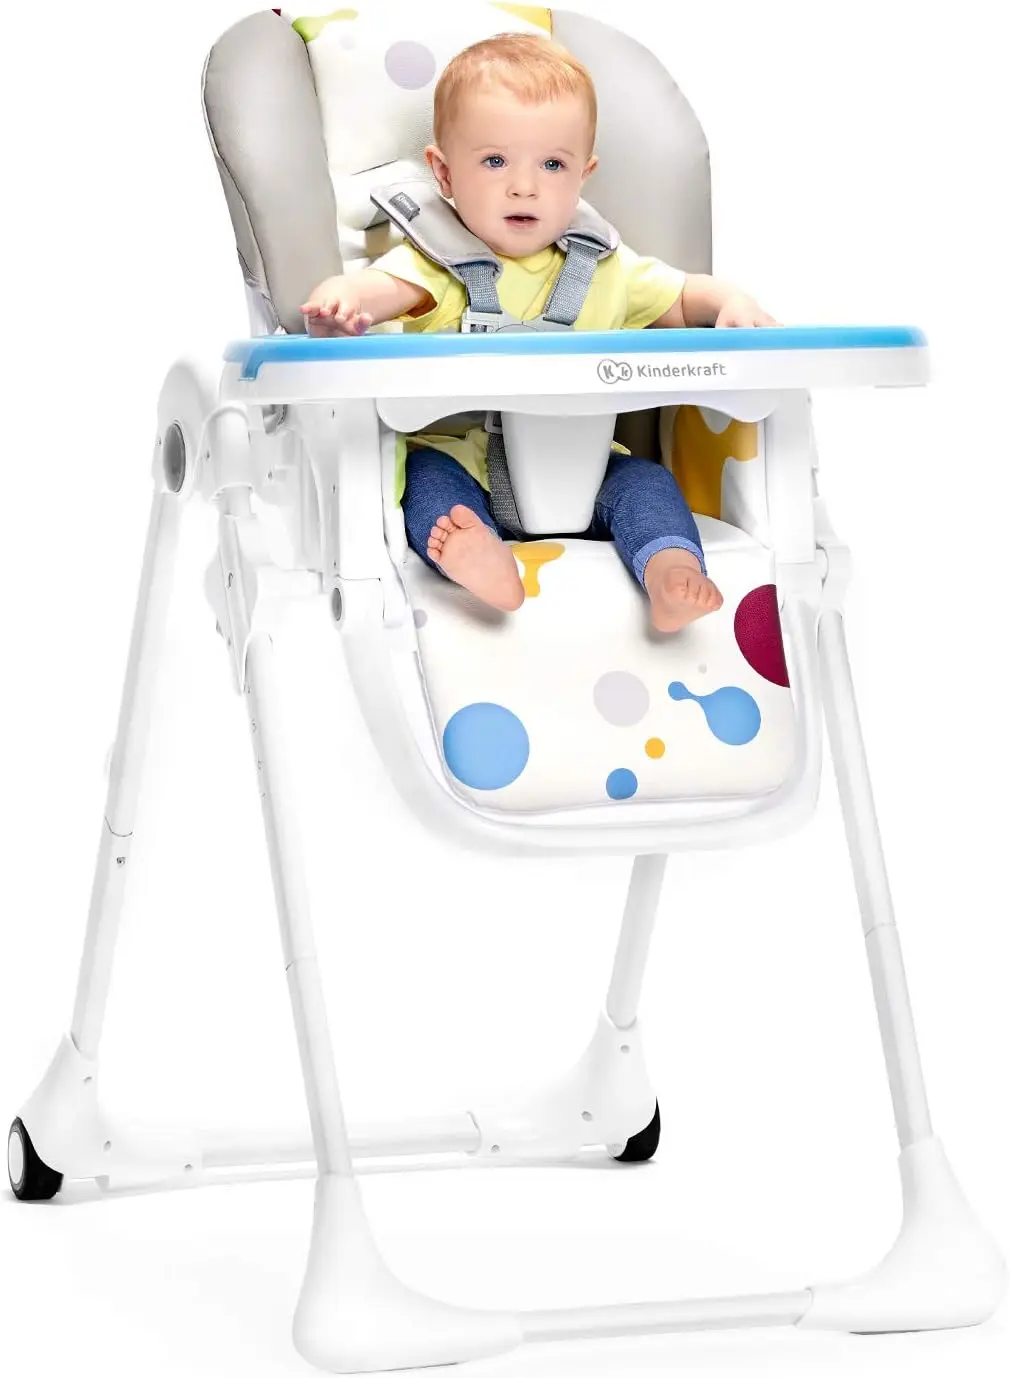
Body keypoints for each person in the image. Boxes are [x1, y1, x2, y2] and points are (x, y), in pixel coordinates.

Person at [301, 33, 776, 631]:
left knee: (646, 484)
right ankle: (474, 553)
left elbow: (682, 298)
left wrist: (731, 303)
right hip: (463, 463)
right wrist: (343, 302)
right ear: (443, 172)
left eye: (552, 164)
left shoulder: (606, 269)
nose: (524, 186)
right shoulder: (437, 265)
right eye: (495, 161)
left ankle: (670, 570)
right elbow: (379, 291)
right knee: (423, 484)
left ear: (583, 176)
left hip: (583, 471)